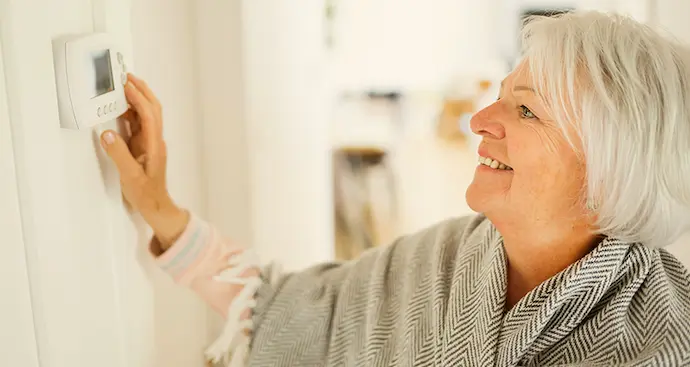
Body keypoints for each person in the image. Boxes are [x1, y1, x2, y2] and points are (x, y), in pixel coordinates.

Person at [100, 11, 690, 367]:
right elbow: (289, 311)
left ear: (608, 174)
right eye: (500, 93)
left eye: (526, 111)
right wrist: (160, 207)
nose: (480, 119)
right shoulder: (446, 260)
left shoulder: (666, 342)